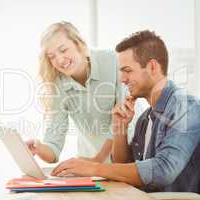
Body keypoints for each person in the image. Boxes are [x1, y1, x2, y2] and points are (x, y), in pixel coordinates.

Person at [51, 30, 200, 193]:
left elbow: (163, 170)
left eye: (127, 70)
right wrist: (119, 128)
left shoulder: (184, 107)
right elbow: (124, 167)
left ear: (152, 67)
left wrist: (94, 168)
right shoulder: (146, 118)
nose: (122, 79)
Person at [26, 21, 135, 164]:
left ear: (78, 44)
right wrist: (39, 148)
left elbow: (122, 117)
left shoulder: (112, 60)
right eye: (51, 56)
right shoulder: (57, 83)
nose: (59, 60)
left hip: (128, 157)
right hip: (90, 162)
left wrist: (98, 160)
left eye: (63, 50)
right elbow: (53, 147)